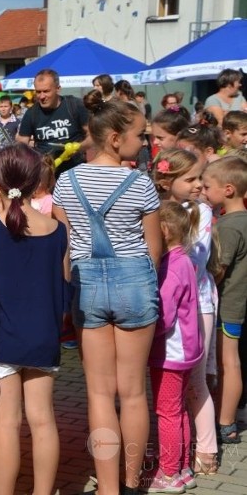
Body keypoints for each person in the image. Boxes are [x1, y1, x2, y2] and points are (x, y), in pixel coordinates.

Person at [52, 90, 162, 495]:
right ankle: (132, 482)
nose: (144, 142)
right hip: (134, 279)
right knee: (133, 392)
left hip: (86, 283)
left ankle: (108, 488)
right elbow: (154, 248)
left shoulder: (67, 181)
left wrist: (68, 294)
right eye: (139, 135)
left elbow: (63, 247)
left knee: (98, 392)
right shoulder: (140, 183)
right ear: (115, 138)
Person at [0, 143, 69, 495]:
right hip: (43, 333)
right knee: (43, 420)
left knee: (6, 422)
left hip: (3, 337)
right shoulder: (57, 230)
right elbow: (65, 280)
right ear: (37, 179)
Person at [151, 150, 218, 476]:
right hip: (184, 316)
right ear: (167, 181)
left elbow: (198, 261)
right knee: (175, 404)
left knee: (193, 386)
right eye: (190, 179)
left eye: (200, 179)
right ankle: (178, 462)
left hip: (193, 312)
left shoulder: (199, 213)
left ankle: (202, 453)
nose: (198, 185)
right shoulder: (159, 207)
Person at [146, 201, 203, 491]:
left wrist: (144, 335)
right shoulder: (186, 260)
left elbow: (164, 315)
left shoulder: (170, 266)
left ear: (164, 231)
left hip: (170, 352)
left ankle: (168, 473)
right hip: (185, 352)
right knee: (178, 411)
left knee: (166, 412)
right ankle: (182, 468)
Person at [201, 157, 247, 445]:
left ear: (228, 189)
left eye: (208, 186)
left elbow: (219, 269)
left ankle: (225, 422)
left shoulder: (229, 226)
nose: (203, 191)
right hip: (238, 303)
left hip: (229, 305)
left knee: (228, 362)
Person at [16, 69, 88, 176]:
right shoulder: (31, 113)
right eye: (38, 92)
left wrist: (79, 147)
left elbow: (94, 136)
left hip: (77, 171)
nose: (41, 96)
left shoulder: (75, 106)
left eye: (46, 91)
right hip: (47, 174)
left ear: (58, 89)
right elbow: (21, 144)